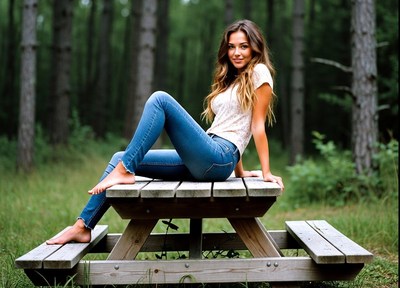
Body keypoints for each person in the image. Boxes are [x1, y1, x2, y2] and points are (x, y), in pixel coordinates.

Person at [47, 19, 284, 245]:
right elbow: (233, 125)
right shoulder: (232, 80)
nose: (237, 52)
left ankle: (125, 170)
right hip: (212, 156)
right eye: (231, 47)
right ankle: (82, 227)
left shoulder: (260, 72)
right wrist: (239, 172)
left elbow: (255, 126)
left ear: (255, 47)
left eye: (243, 46)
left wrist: (266, 172)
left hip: (218, 156)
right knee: (119, 157)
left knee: (160, 100)